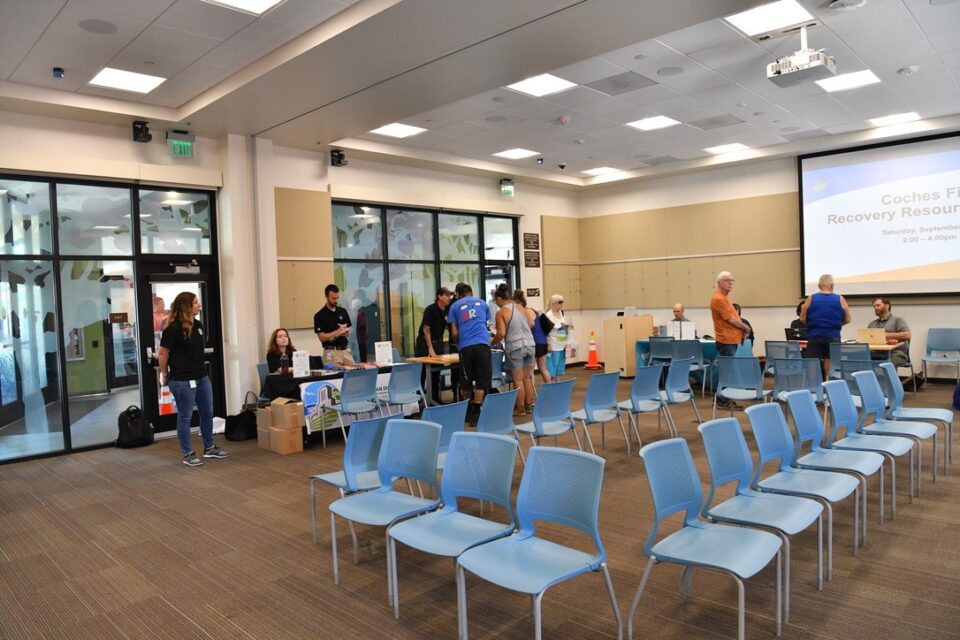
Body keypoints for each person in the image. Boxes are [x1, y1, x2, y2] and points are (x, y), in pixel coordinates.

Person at [158, 291, 228, 467]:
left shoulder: (198, 325)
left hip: (201, 377)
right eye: (196, 302)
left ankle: (209, 447)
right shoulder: (172, 328)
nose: (199, 305)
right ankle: (188, 453)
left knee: (207, 413)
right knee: (185, 416)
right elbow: (163, 354)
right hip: (181, 379)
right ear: (186, 306)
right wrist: (164, 374)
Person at [493, 285, 536, 416]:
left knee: (518, 379)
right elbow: (532, 323)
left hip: (515, 347)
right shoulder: (521, 307)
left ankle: (520, 408)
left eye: (495, 301)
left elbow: (501, 333)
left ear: (499, 298)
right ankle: (529, 405)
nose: (496, 303)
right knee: (526, 377)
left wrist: (491, 343)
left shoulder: (501, 313)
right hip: (530, 344)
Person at [448, 282, 491, 410]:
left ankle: (466, 408)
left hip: (466, 346)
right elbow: (485, 324)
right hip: (483, 344)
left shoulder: (454, 306)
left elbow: (454, 332)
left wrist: (458, 344)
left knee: (465, 380)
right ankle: (477, 408)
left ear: (458, 294)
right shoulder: (483, 303)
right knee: (481, 379)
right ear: (471, 292)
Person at [799, 273, 851, 377]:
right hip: (833, 335)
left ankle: (814, 383)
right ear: (832, 286)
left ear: (819, 285)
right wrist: (836, 325)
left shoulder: (811, 298)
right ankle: (828, 381)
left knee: (813, 362)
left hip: (814, 335)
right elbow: (848, 319)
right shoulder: (840, 299)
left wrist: (813, 325)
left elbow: (802, 318)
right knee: (830, 360)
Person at [415, 286, 453, 404]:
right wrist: (430, 348)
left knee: (436, 373)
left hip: (438, 343)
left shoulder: (447, 310)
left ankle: (434, 400)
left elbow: (448, 326)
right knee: (423, 373)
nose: (449, 297)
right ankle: (418, 402)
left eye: (449, 295)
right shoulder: (430, 309)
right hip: (425, 344)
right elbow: (426, 329)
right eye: (447, 295)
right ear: (439, 296)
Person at [710, 271, 750, 357]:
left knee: (729, 364)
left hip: (730, 341)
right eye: (726, 280)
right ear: (719, 282)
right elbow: (731, 319)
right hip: (726, 341)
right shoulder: (719, 299)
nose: (730, 283)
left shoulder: (724, 297)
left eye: (732, 280)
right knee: (728, 365)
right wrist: (746, 328)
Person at [314, 284, 355, 367]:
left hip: (346, 350)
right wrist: (338, 332)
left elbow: (350, 328)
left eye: (337, 298)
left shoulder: (342, 311)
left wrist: (347, 332)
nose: (336, 300)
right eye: (333, 298)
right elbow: (322, 338)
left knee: (353, 372)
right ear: (326, 297)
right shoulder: (319, 315)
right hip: (331, 352)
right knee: (336, 374)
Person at [868, 297, 912, 369]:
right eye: (874, 306)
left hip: (896, 353)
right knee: (859, 357)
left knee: (889, 363)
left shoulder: (898, 320)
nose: (875, 308)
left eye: (878, 305)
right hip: (877, 352)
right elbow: (868, 339)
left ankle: (887, 376)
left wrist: (886, 335)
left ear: (887, 306)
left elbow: (907, 335)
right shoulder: (872, 324)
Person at [544, 293, 572, 379]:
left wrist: (567, 326)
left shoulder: (561, 313)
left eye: (562, 302)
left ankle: (558, 383)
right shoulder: (548, 315)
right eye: (560, 302)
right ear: (553, 303)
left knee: (559, 368)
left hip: (562, 345)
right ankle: (552, 384)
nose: (562, 304)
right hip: (553, 346)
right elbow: (546, 332)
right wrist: (548, 345)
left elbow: (561, 326)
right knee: (552, 369)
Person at [527, 295, 552, 385]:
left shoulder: (527, 312)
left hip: (536, 343)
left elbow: (531, 325)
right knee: (543, 369)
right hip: (543, 342)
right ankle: (550, 387)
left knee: (530, 372)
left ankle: (531, 392)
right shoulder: (536, 312)